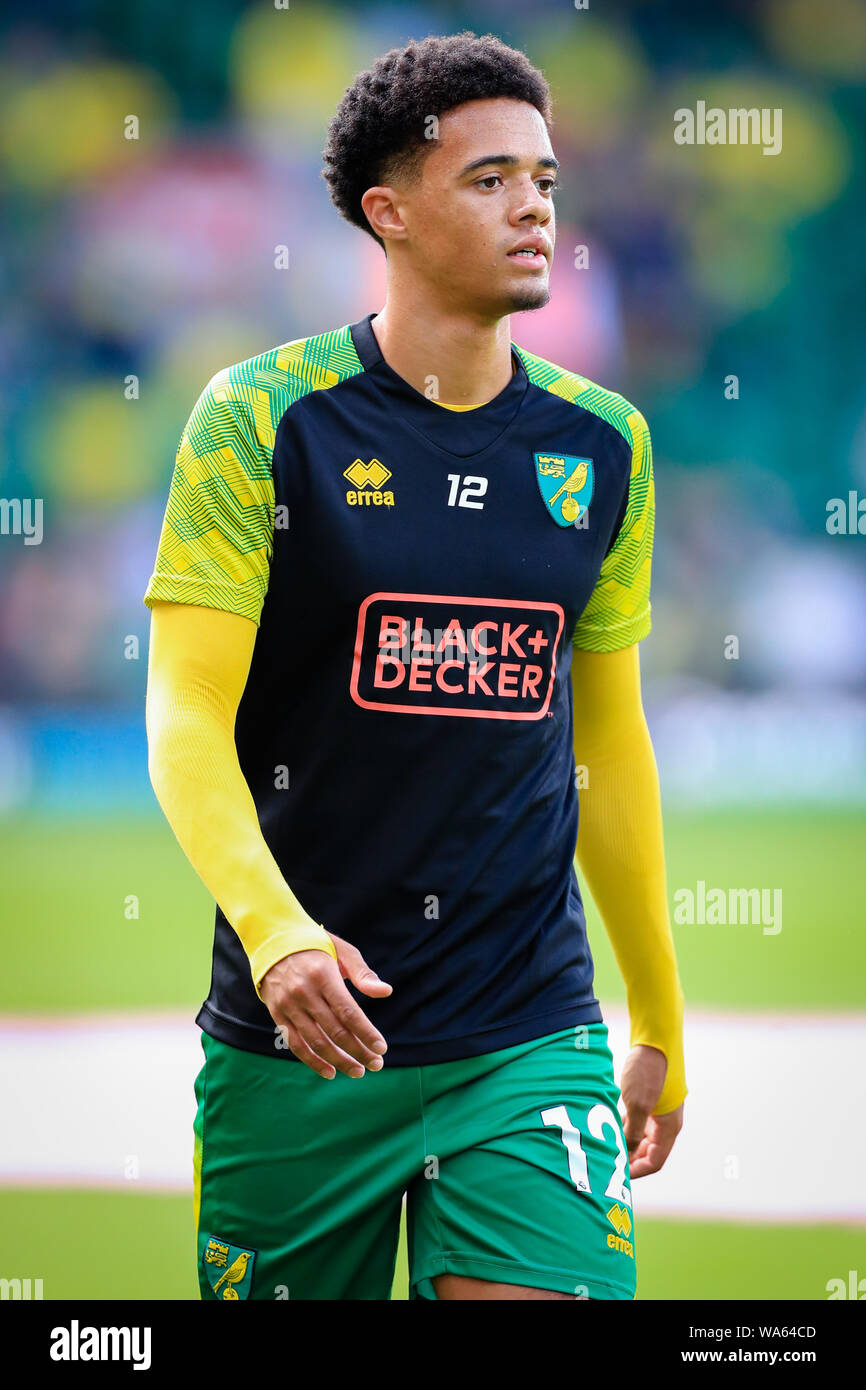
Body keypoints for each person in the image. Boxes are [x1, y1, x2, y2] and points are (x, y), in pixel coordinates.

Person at [144, 30, 686, 1302]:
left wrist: (653, 1014)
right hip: (300, 1041)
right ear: (387, 213)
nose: (534, 207)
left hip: (527, 1031)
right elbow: (180, 717)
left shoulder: (604, 444)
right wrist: (279, 939)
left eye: (544, 180)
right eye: (489, 179)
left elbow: (605, 745)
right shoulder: (259, 418)